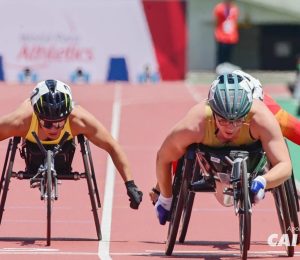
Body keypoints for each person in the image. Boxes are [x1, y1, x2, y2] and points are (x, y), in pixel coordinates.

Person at [154, 73, 291, 225]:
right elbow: (164, 157)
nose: (230, 127)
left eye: (237, 121)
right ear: (213, 112)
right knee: (181, 146)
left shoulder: (261, 118)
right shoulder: (195, 124)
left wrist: (264, 181)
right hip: (216, 142)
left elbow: (284, 164)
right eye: (222, 120)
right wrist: (165, 198)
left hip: (258, 101)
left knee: (294, 130)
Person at [0, 79, 143, 209]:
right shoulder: (21, 121)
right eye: (48, 124)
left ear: (67, 115)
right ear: (37, 116)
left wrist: (130, 184)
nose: (54, 128)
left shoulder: (79, 120)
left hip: (64, 156)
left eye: (60, 122)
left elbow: (112, 146)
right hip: (32, 155)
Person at [213, 0, 239, 67]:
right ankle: (219, 69)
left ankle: (227, 70)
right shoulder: (219, 8)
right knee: (221, 55)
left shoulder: (234, 9)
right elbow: (216, 21)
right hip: (221, 35)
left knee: (229, 55)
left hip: (231, 36)